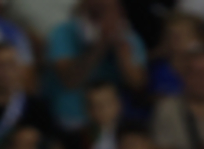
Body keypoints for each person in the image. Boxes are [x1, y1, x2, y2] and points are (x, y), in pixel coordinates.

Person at [43, 0, 147, 133]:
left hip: (117, 122)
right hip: (70, 121)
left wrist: (122, 52)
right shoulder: (63, 33)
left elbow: (137, 84)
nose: (101, 18)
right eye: (95, 13)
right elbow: (70, 80)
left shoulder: (129, 38)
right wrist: (100, 45)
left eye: (107, 11)